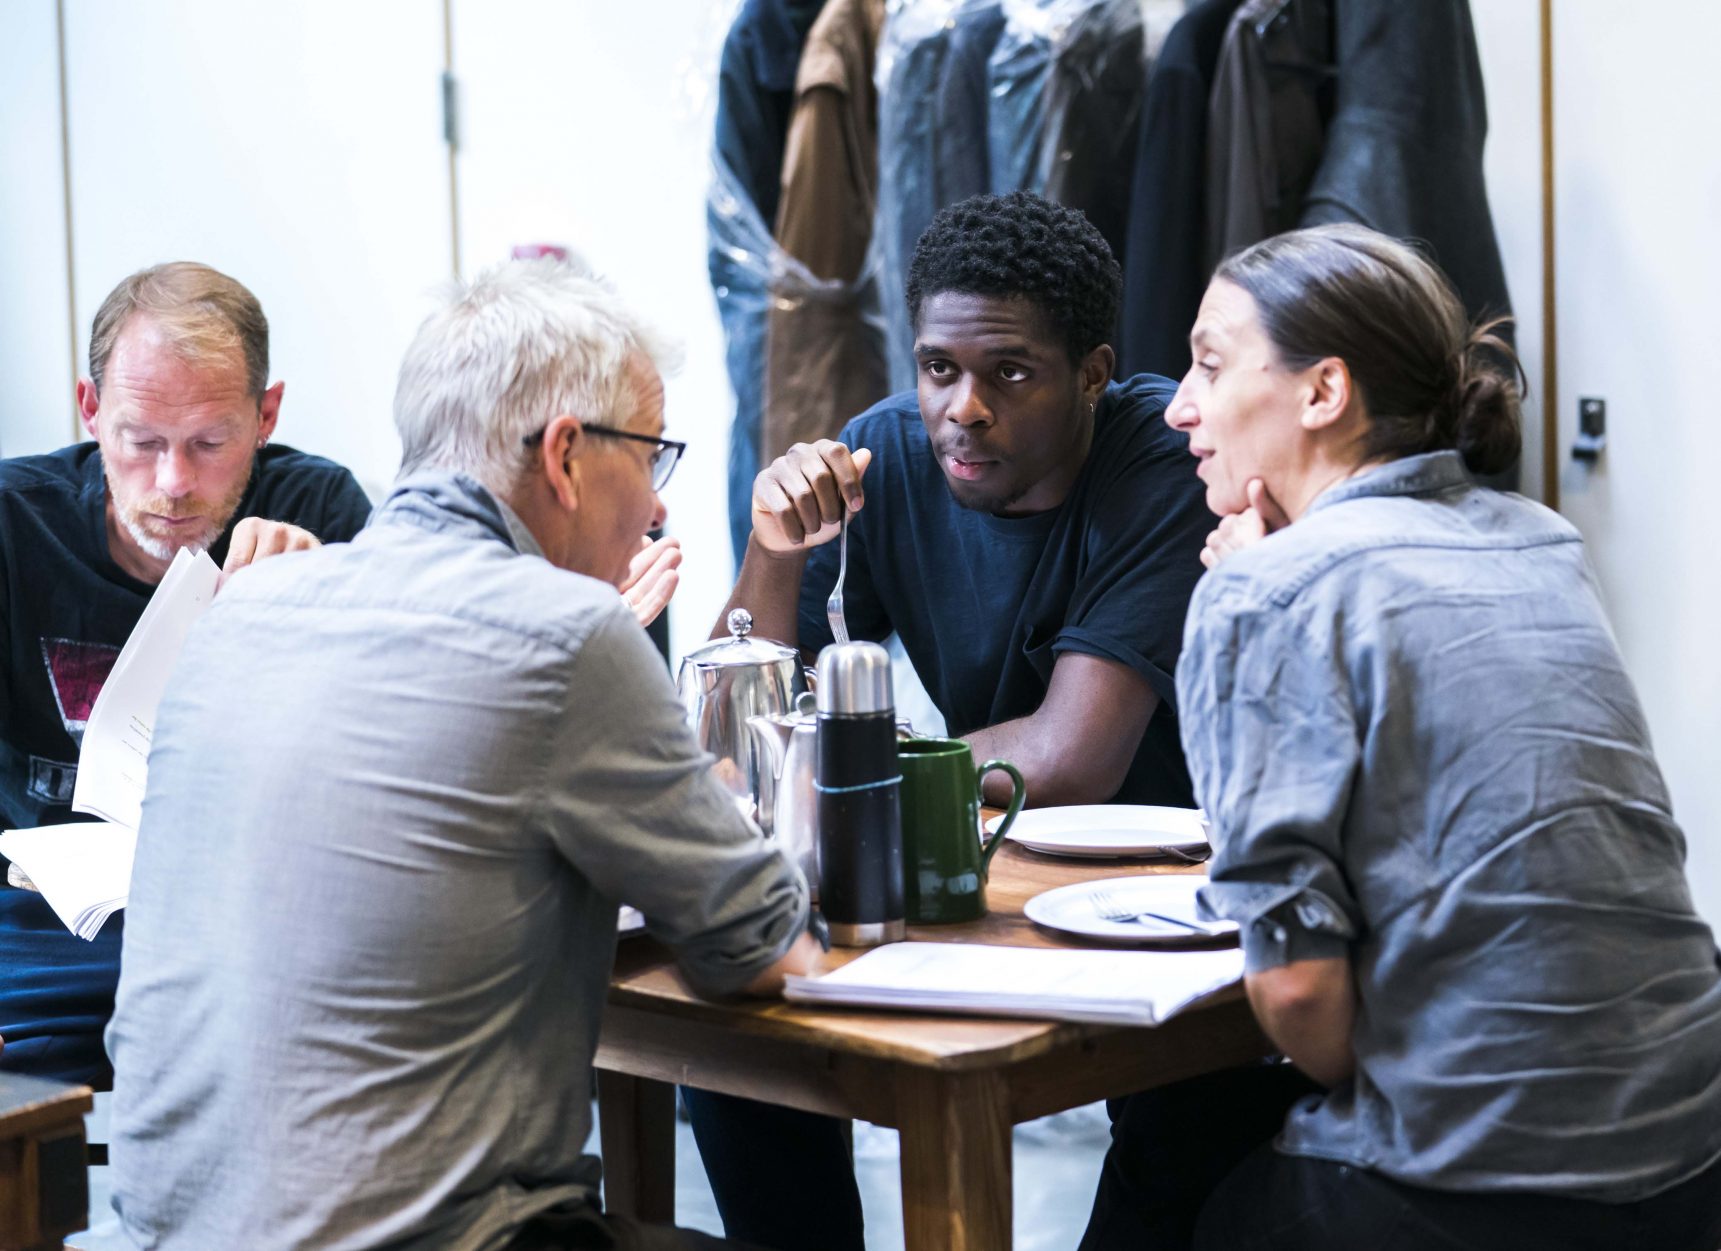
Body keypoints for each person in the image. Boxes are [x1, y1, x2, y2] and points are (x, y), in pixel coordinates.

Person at [105, 257, 816, 1251]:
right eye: (650, 459)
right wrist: (722, 800)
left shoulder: (234, 615)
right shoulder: (563, 632)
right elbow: (763, 944)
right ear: (565, 455)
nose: (655, 507)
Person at [1080, 223, 1721, 1251]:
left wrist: (1254, 582)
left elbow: (1296, 991)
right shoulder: (1536, 538)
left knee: (1172, 1168)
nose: (1176, 406)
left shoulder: (1268, 589)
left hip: (1488, 1182)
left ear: (1321, 392)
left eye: (1208, 363)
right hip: (1686, 1149)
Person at [688, 191, 1212, 1250]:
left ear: (1092, 374)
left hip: (1182, 904)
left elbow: (1067, 755)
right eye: (937, 369)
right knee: (737, 1052)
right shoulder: (885, 454)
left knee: (1191, 1134)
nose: (960, 408)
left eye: (1007, 373)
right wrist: (775, 549)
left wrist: (833, 762)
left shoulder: (1157, 462)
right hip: (995, 877)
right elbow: (732, 739)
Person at [0, 261, 373, 1085]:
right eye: (142, 441)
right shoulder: (13, 523)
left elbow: (381, 783)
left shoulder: (320, 516)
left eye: (210, 442)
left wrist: (316, 620)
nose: (173, 483)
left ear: (265, 415)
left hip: (247, 924)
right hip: (42, 924)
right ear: (90, 410)